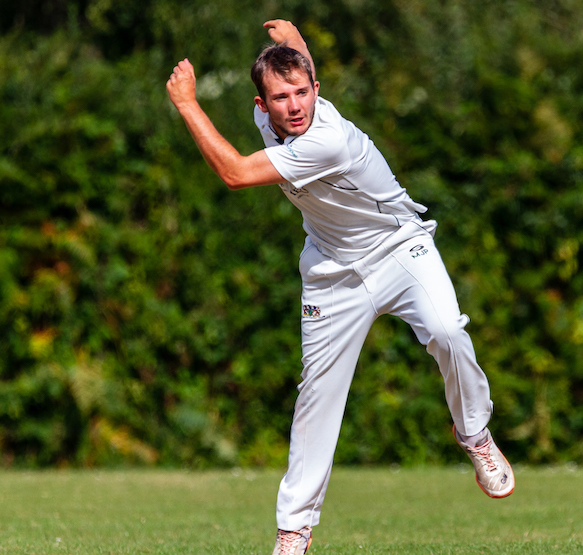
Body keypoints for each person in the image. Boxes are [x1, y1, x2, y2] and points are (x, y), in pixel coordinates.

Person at [166, 19, 514, 555]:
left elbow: (234, 174)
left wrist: (189, 104)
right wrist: (294, 41)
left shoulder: (326, 139)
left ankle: (475, 435)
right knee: (317, 399)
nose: (295, 105)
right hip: (332, 272)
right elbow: (294, 71)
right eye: (281, 97)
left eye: (303, 92)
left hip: (399, 248)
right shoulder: (280, 118)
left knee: (447, 331)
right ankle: (294, 530)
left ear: (317, 92)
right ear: (262, 106)